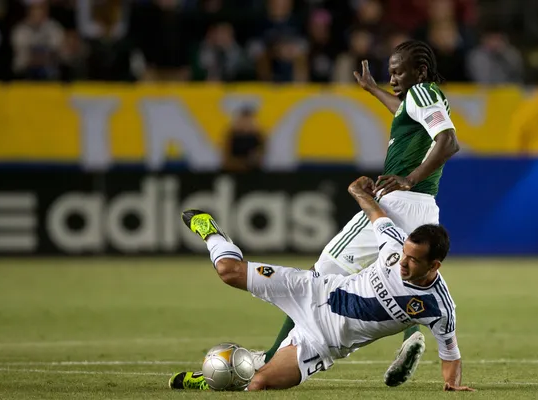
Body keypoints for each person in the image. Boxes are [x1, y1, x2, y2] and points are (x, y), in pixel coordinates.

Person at [256, 39, 460, 384]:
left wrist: (408, 179)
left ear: (420, 71)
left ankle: (273, 357)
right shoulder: (420, 99)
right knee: (404, 277)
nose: (392, 78)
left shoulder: (424, 92)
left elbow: (449, 142)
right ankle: (410, 336)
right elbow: (404, 111)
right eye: (390, 73)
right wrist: (372, 90)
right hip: (424, 209)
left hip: (398, 202)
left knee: (319, 274)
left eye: (398, 72)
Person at [169, 176, 474, 392]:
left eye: (414, 260)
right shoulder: (394, 246)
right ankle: (212, 233)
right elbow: (375, 213)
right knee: (227, 271)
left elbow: (450, 352)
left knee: (258, 383)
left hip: (320, 342)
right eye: (404, 253)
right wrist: (358, 190)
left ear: (434, 265)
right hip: (312, 289)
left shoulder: (439, 306)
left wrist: (453, 383)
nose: (403, 262)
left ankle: (214, 379)